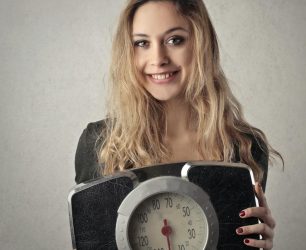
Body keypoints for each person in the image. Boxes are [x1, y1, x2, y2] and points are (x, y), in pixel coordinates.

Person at [75, 0, 283, 249]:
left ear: (201, 43)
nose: (158, 58)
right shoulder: (99, 143)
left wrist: (260, 246)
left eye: (174, 40)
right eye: (142, 43)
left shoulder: (245, 147)